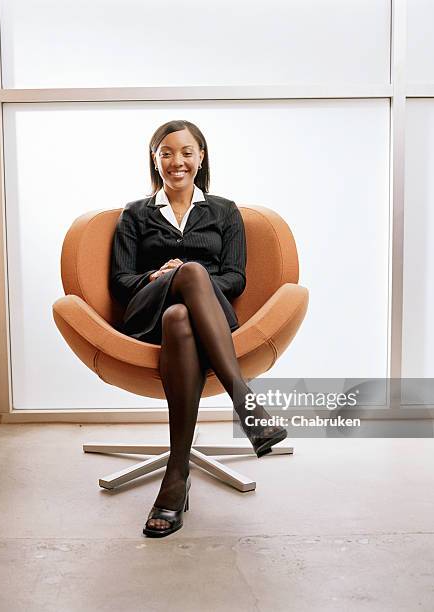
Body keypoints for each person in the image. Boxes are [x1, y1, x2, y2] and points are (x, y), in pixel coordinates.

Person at [109, 120, 287, 537]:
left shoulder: (224, 212)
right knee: (180, 289)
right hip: (148, 315)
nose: (177, 162)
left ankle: (175, 479)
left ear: (201, 157)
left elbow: (235, 278)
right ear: (155, 159)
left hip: (203, 320)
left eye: (187, 152)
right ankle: (246, 404)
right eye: (166, 153)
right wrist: (162, 278)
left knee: (182, 316)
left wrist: (194, 282)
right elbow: (120, 282)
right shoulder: (135, 214)